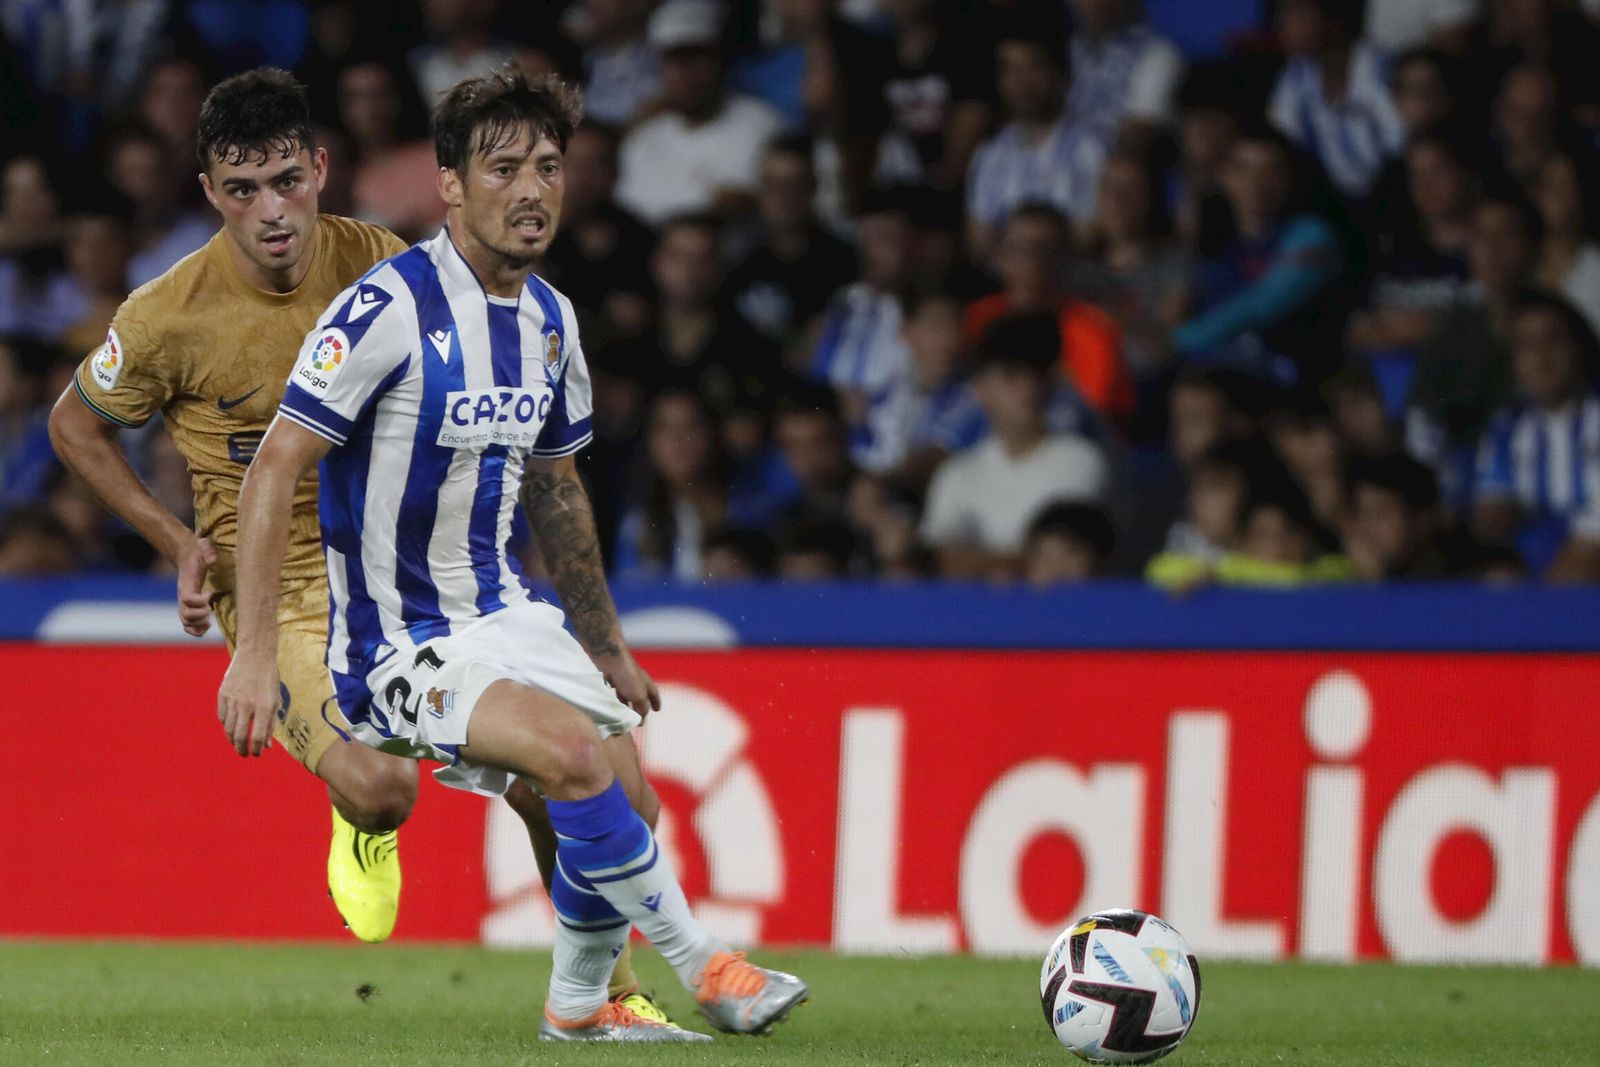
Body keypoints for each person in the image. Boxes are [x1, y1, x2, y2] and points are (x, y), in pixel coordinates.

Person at [218, 65, 808, 1042]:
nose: (531, 190)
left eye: (547, 166)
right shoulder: (387, 307)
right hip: (396, 642)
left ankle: (580, 1004)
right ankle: (707, 965)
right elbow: (277, 465)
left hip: (504, 611)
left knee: (630, 796)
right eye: (503, 169)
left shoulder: (550, 320)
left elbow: (557, 489)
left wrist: (605, 642)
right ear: (450, 184)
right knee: (573, 760)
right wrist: (253, 653)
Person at [920, 312, 1111, 578]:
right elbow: (935, 559)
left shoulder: (1080, 460)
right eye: (1011, 375)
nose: (1028, 388)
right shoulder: (957, 472)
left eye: (1036, 374)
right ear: (980, 388)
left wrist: (976, 562)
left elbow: (1062, 562)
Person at [614, 0, 784, 225]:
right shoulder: (643, 138)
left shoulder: (763, 126)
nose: (685, 74)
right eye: (674, 61)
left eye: (697, 58)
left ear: (719, 61)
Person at [964, 203, 1133, 421]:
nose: (1031, 261)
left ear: (1065, 258)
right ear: (1001, 257)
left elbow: (1094, 413)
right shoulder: (977, 319)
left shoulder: (1094, 331)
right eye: (1018, 248)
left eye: (1043, 249)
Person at [1474, 291, 1600, 579]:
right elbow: (1491, 514)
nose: (1540, 355)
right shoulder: (1506, 429)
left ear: (1579, 346)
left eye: (1553, 339)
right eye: (1526, 345)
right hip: (1539, 563)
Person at [966, 15, 1108, 261]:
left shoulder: (1094, 147)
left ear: (1060, 74)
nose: (1021, 82)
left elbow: (1091, 235)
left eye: (1034, 66)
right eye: (1010, 68)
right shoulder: (991, 153)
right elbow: (979, 242)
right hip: (1006, 288)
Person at [1268, 0, 1405, 200]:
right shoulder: (1295, 74)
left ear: (1333, 20)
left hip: (1394, 194)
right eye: (1282, 14)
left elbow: (1399, 149)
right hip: (1333, 203)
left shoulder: (1382, 70)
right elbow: (1283, 141)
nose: (1283, 24)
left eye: (1297, 13)